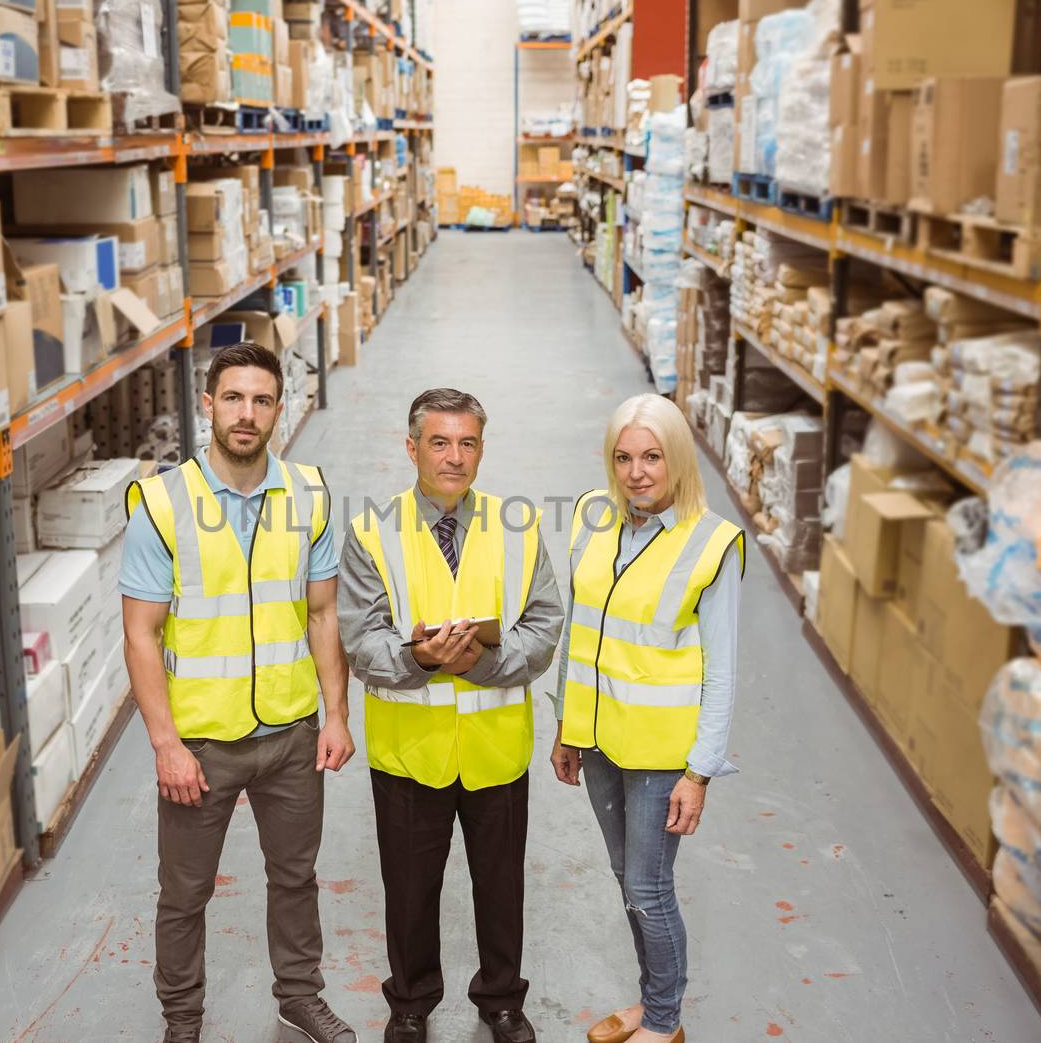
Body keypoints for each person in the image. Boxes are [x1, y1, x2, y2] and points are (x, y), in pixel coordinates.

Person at [121, 342, 359, 1043]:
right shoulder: (162, 505)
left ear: (279, 409)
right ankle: (183, 1019)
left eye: (260, 399)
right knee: (186, 893)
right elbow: (140, 634)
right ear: (208, 404)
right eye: (232, 397)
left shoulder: (308, 493)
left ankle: (299, 996)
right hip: (200, 742)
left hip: (290, 733)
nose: (246, 413)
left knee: (295, 877)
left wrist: (336, 714)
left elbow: (321, 614)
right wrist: (166, 744)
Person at [339, 388, 564, 1043]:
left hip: (495, 745)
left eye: (467, 442)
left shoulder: (517, 526)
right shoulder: (372, 531)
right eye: (439, 442)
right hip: (411, 749)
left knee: (501, 887)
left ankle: (501, 998)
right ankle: (409, 1001)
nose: (454, 456)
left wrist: (481, 664)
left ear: (482, 449)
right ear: (411, 448)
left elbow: (545, 624)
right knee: (409, 890)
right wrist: (424, 659)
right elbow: (362, 637)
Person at [550, 394, 745, 1043]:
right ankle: (650, 998)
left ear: (678, 459)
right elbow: (581, 628)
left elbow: (721, 670)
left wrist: (701, 771)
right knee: (627, 879)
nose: (636, 472)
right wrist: (566, 726)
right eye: (624, 457)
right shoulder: (591, 516)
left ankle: (664, 1021)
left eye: (652, 456)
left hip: (664, 753)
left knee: (648, 885)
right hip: (600, 739)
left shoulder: (711, 544)